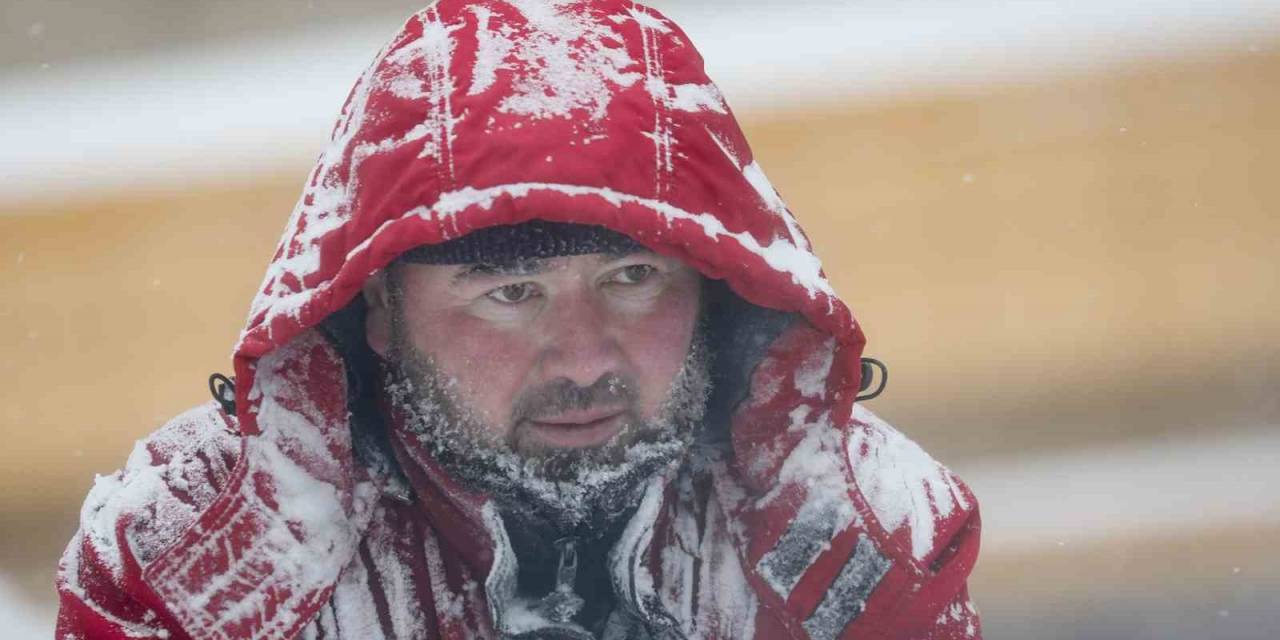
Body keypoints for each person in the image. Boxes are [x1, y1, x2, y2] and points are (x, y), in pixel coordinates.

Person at [55, 1, 982, 638]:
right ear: (378, 307)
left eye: (631, 276)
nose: (584, 354)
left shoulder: (858, 532)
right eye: (511, 292)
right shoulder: (193, 557)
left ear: (715, 283)